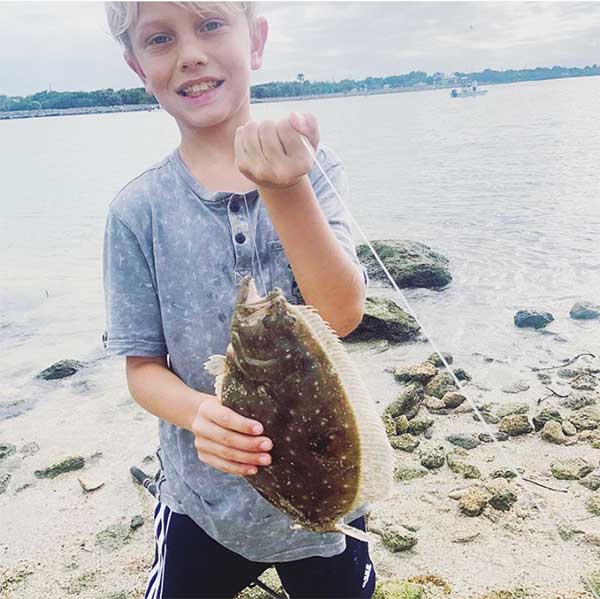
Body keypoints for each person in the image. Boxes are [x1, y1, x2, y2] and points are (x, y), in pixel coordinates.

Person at [102, 2, 374, 597]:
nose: (190, 53)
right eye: (159, 39)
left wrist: (287, 187)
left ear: (256, 42)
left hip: (327, 490)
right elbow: (142, 368)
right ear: (136, 67)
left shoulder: (313, 168)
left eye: (211, 25)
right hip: (204, 503)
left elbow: (342, 315)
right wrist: (198, 413)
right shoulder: (137, 211)